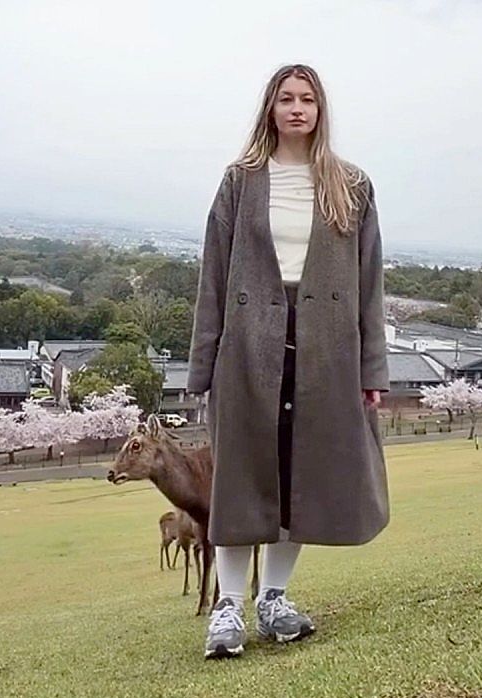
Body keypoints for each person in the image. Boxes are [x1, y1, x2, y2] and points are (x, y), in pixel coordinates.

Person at [186, 63, 390, 659]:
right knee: (243, 476)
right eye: (286, 98)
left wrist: (372, 371)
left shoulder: (351, 185)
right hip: (248, 347)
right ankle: (227, 608)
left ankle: (273, 597)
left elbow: (369, 282)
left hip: (327, 351)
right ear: (270, 109)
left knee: (299, 477)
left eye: (307, 99)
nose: (297, 108)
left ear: (320, 108)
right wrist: (203, 368)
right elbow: (213, 278)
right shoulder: (240, 181)